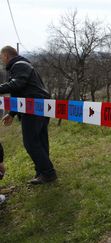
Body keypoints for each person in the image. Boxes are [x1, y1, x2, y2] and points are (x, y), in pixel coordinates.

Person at [0, 46, 56, 185]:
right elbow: (19, 91)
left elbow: (16, 85)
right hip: (39, 105)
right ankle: (43, 172)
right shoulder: (23, 65)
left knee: (31, 142)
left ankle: (48, 173)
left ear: (6, 55)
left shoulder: (19, 65)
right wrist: (12, 113)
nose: (1, 60)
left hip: (33, 107)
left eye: (1, 57)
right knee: (40, 141)